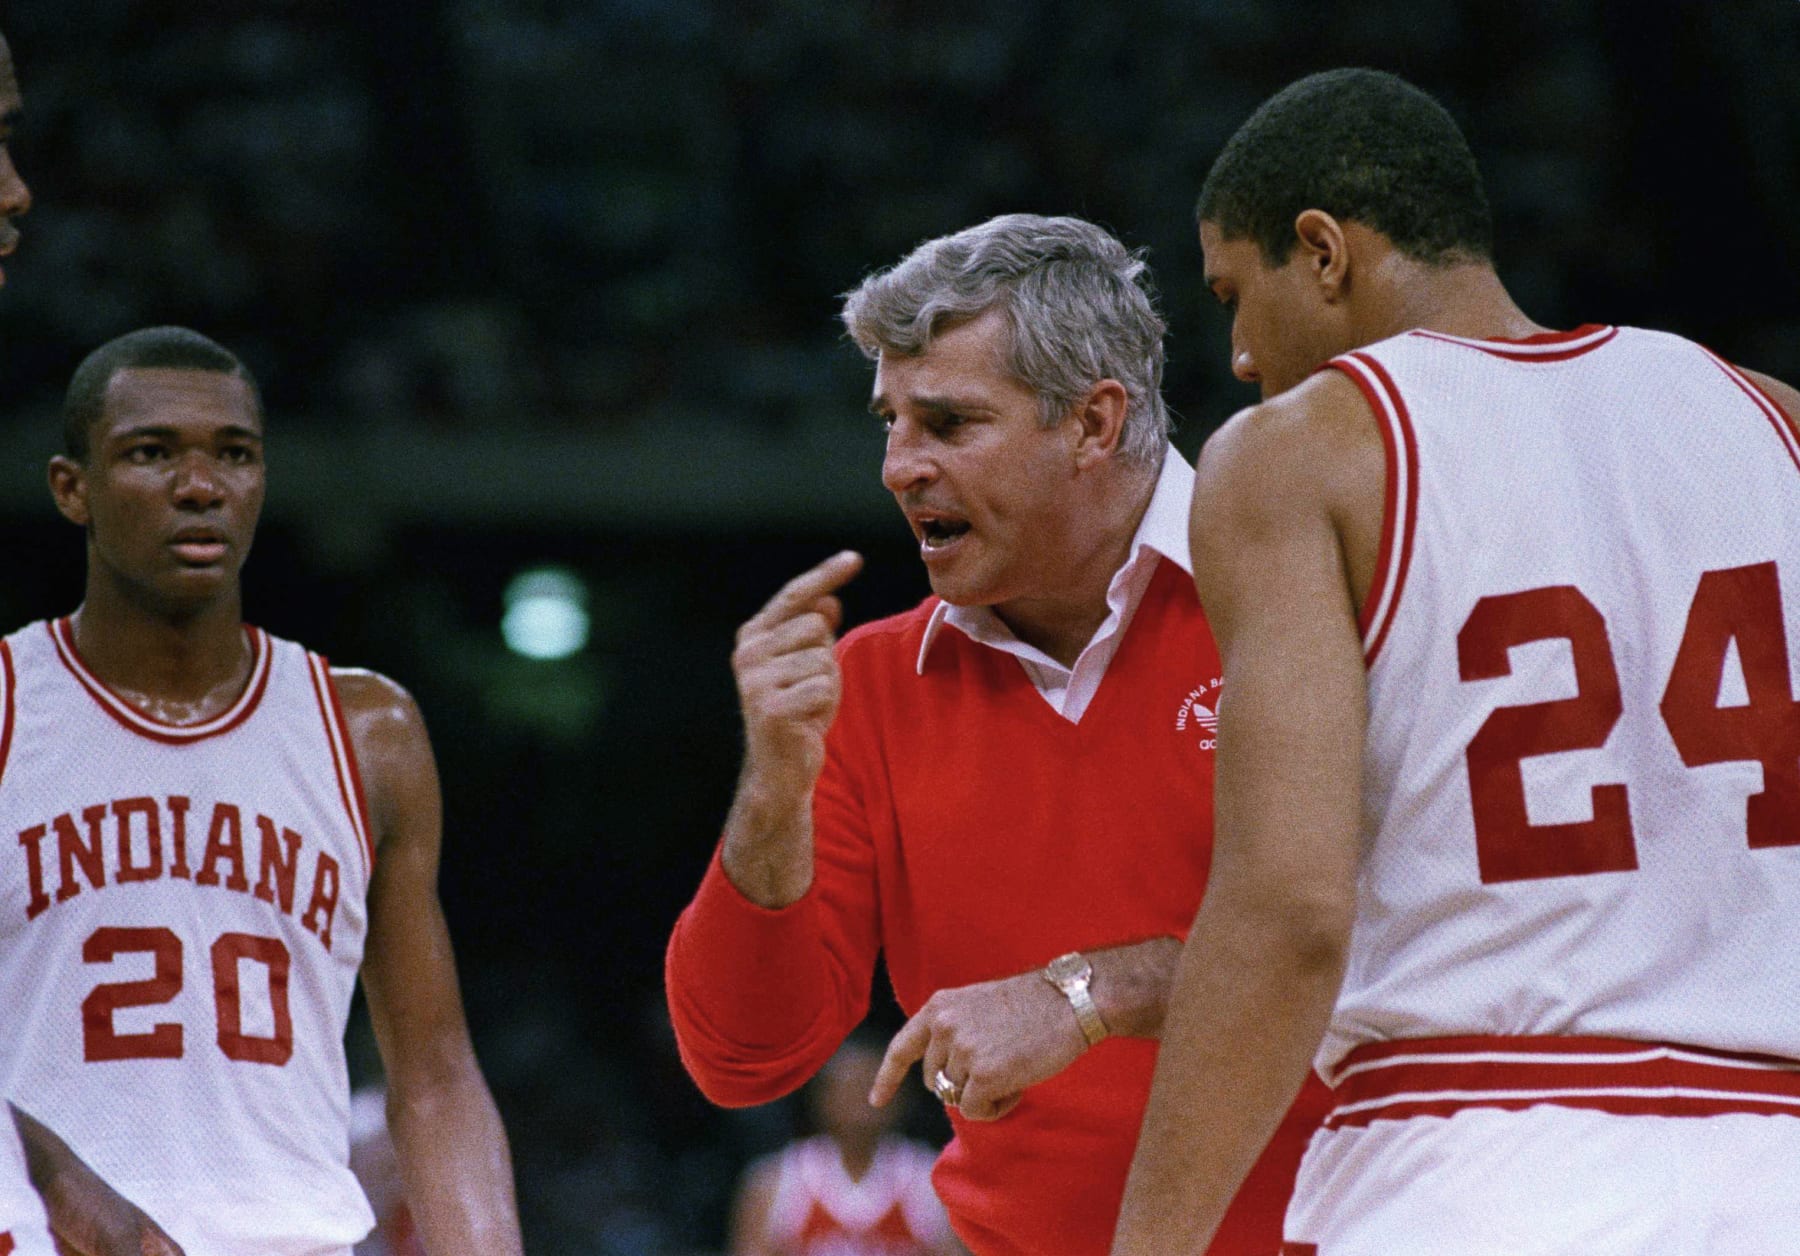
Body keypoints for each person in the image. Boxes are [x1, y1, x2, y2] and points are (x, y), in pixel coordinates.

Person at [1112, 67, 1800, 1255]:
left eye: (1235, 293)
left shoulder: (1298, 452)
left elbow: (1289, 906)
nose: (1234, 352)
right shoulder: (1774, 421)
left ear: (1323, 252)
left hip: (1472, 1158)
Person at [666, 213, 1329, 1256]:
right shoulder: (871, 684)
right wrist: (770, 796)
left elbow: (1423, 953)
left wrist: (1090, 993)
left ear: (1093, 423)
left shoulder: (1311, 600)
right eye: (889, 420)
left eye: (947, 421)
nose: (897, 465)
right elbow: (741, 1054)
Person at [0, 326, 525, 1255]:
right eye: (151, 453)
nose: (200, 488)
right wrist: (60, 1178)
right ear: (70, 488)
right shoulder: (8, 708)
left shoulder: (368, 732)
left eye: (233, 455)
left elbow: (435, 1080)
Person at [729, 1036, 964, 1256]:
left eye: (869, 1086)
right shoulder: (774, 1180)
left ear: (901, 1097)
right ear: (820, 1098)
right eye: (848, 1088)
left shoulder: (932, 1179)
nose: (859, 1102)